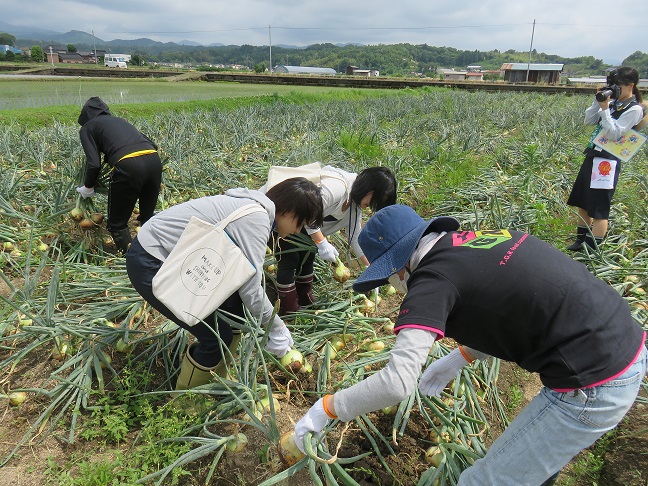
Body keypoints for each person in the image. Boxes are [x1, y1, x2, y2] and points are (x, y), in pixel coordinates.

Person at [293, 204, 646, 486]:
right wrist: (464, 355)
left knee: (483, 481)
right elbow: (512, 304)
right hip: (625, 341)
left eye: (388, 279)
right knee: (532, 470)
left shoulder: (431, 279)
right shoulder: (482, 238)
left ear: (400, 269)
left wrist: (327, 408)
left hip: (595, 382)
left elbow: (396, 384)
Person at [125, 178, 323, 391]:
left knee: (234, 313)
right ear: (289, 211)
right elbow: (251, 289)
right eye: (300, 223)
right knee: (216, 337)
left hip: (170, 256)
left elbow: (242, 279)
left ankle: (215, 378)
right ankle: (187, 401)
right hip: (152, 260)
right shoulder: (256, 219)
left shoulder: (255, 208)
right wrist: (276, 327)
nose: (298, 230)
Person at [263, 165, 397, 314]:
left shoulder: (355, 206)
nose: (370, 207)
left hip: (297, 224)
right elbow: (309, 211)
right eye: (374, 201)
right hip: (279, 214)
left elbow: (355, 238)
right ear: (370, 191)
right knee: (289, 257)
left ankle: (304, 296)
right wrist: (321, 242)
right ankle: (288, 307)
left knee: (308, 255)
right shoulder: (337, 187)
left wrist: (370, 268)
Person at [566, 67, 645, 250]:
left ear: (630, 85)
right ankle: (580, 241)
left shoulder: (634, 109)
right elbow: (588, 121)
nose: (614, 89)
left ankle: (592, 248)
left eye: (618, 86)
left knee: (599, 206)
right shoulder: (612, 102)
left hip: (607, 161)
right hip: (594, 152)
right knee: (583, 200)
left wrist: (605, 110)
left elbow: (613, 134)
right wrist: (598, 103)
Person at [76, 97, 163, 253]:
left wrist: (88, 186)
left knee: (117, 223)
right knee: (147, 216)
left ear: (85, 115)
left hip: (128, 165)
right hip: (154, 161)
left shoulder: (88, 127)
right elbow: (153, 145)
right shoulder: (119, 121)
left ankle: (128, 257)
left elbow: (93, 163)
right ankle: (153, 252)